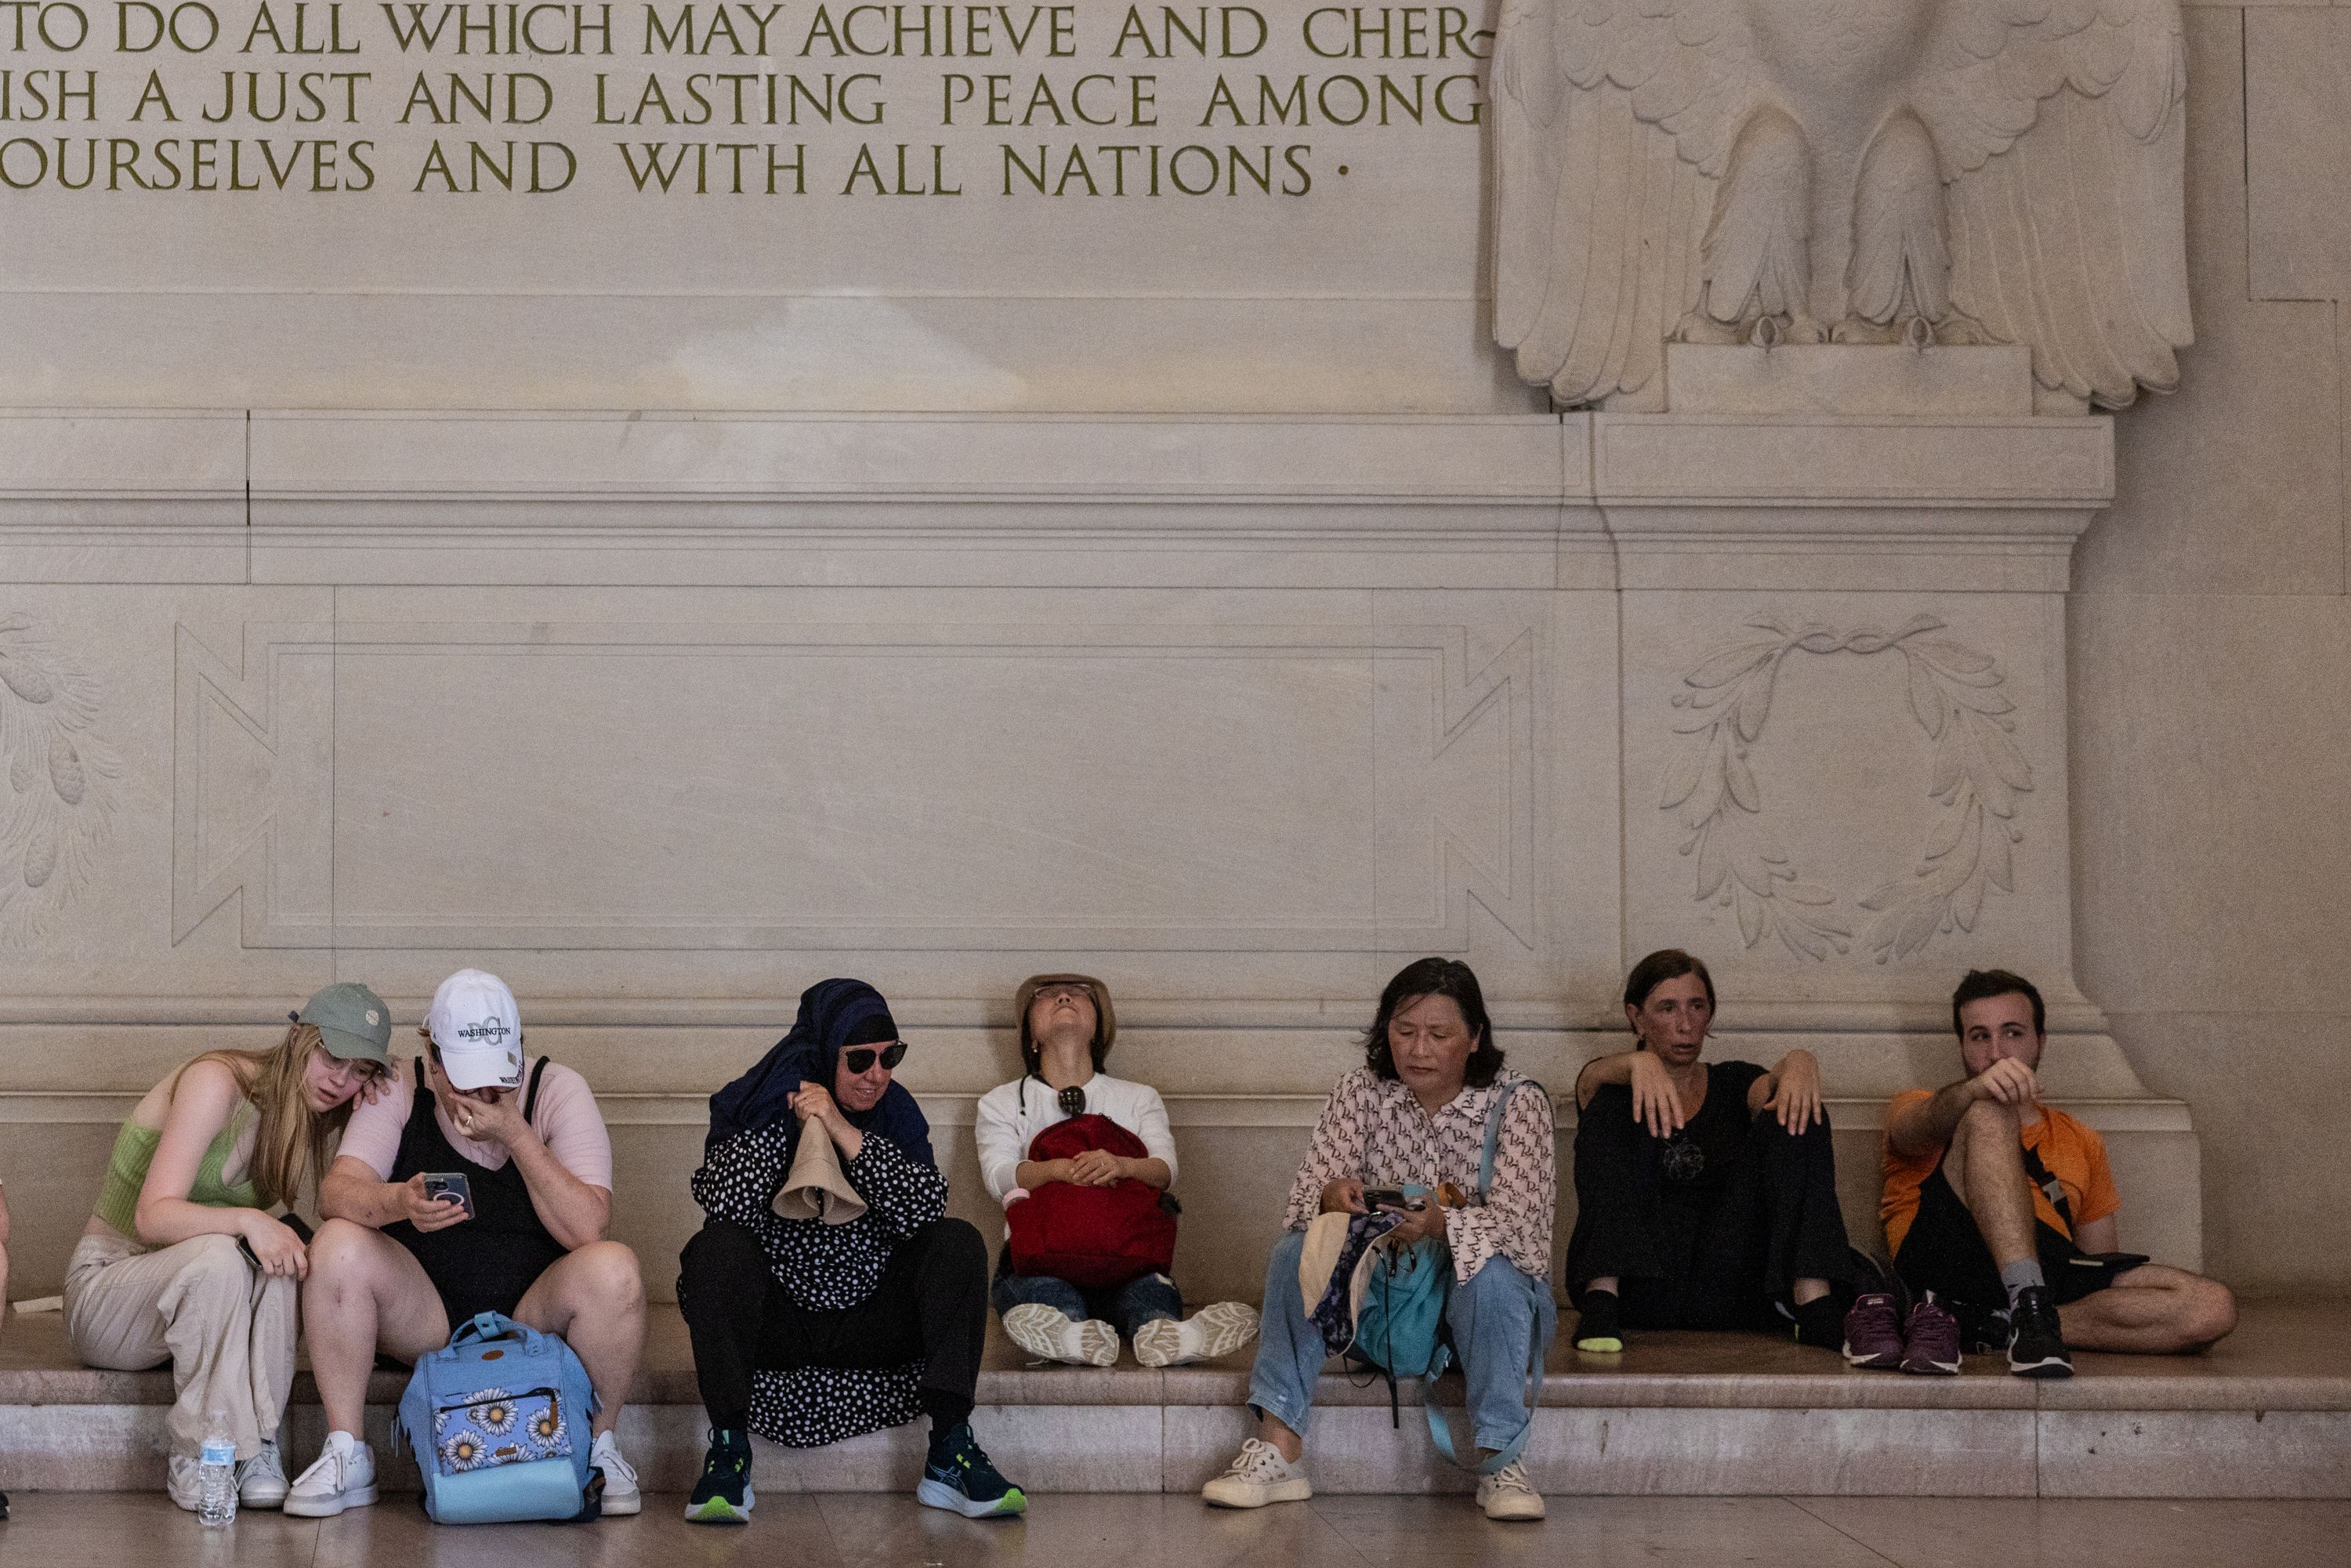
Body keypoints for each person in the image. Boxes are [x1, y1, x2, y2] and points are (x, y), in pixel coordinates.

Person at [1202, 957, 1556, 1523]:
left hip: (1476, 1310)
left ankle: (1500, 1459)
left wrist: (1442, 1222)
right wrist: (1331, 1196)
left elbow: (1527, 1237)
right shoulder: (1360, 1091)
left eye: (1438, 1034)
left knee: (1493, 1271)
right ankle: (1279, 1447)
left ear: (1474, 1039)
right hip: (1382, 1299)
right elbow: (1299, 1207)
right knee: (1297, 1250)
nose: (1418, 1049)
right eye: (1404, 1031)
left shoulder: (1517, 1103)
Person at [288, 969, 646, 1517]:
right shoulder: (401, 1088)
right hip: (427, 1315)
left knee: (615, 1269)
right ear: (432, 1062)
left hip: (532, 1316)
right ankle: (347, 1451)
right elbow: (337, 1192)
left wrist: (515, 1132)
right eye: (464, 1078)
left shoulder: (556, 1089)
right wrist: (398, 1202)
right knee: (336, 1244)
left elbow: (588, 1228)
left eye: (496, 1078)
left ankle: (598, 1449)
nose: (483, 1093)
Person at [677, 978, 1022, 1525]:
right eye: (860, 1059)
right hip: (782, 1322)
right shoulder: (760, 1100)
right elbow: (725, 1204)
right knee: (713, 1250)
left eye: (891, 1057)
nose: (877, 1074)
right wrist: (789, 1128)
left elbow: (923, 1210)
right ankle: (728, 1451)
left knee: (958, 1242)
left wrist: (840, 1129)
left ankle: (950, 1449)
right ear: (823, 1053)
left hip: (868, 1319)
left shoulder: (896, 1111)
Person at [64, 983, 393, 1512]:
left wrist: (386, 1099)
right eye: (332, 1056)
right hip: (108, 1292)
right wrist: (246, 1219)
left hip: (196, 1301)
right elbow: (152, 1214)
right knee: (225, 1251)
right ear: (296, 1039)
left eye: (360, 1070)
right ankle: (200, 1453)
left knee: (282, 1252)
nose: (341, 1079)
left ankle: (258, 1446)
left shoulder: (299, 1113)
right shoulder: (218, 1081)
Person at [1873, 969, 2237, 1378]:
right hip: (1945, 1258)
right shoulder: (1923, 1106)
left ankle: (1995, 1322)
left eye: (2013, 1033)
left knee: (2211, 1308)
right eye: (1980, 1036)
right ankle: (2024, 1304)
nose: (1997, 1053)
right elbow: (1913, 1131)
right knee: (1989, 1111)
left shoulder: (2080, 1139)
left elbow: (2095, 1265)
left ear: (2040, 1042)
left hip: (2049, 1270)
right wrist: (1975, 1092)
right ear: (1962, 1046)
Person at [1564, 949, 1855, 1354]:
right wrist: (1636, 1065)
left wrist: (1800, 1061)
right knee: (1613, 1102)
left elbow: (1773, 1091)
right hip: (1641, 1290)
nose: (1685, 1025)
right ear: (1636, 1016)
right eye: (1667, 1008)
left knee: (1798, 1109)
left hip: (1729, 1287)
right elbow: (1590, 1082)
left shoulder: (1732, 1081)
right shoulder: (1609, 1090)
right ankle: (1601, 1296)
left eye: (1696, 1007)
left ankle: (1814, 1300)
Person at [975, 973, 1259, 1367]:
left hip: (1127, 1261)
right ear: (1031, 1036)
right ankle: (1069, 1331)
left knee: (1149, 1292)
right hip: (1039, 1260)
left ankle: (1164, 1332)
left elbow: (1165, 1171)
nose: (1063, 997)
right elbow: (998, 1175)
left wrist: (1120, 1164)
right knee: (1045, 1294)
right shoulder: (1000, 1102)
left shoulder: (1140, 1097)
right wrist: (1059, 1169)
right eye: (1046, 996)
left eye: (1079, 995)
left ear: (1099, 1028)